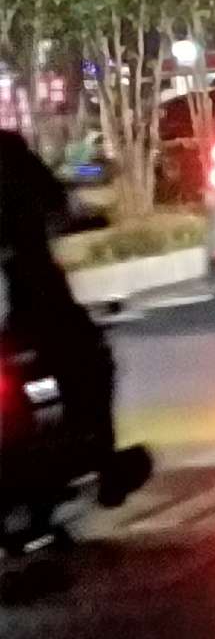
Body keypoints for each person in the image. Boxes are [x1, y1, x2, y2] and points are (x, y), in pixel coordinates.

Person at [0, 130, 150, 507]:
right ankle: (103, 459)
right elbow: (55, 206)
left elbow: (57, 204)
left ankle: (98, 458)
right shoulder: (12, 157)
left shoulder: (13, 158)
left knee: (83, 355)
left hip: (28, 300)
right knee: (89, 357)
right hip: (31, 299)